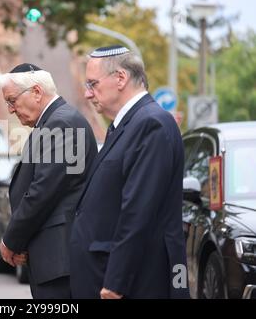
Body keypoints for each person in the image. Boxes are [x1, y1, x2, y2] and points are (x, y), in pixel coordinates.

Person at [70, 46, 189, 299]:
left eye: (92, 84)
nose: (87, 93)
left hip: (135, 284)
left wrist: (116, 281)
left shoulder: (151, 124)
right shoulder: (129, 123)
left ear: (121, 78)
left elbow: (137, 210)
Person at [0, 63, 97, 298]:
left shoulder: (61, 123)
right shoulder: (54, 121)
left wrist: (11, 241)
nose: (10, 110)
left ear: (37, 92)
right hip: (54, 258)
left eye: (12, 100)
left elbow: (43, 191)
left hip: (60, 260)